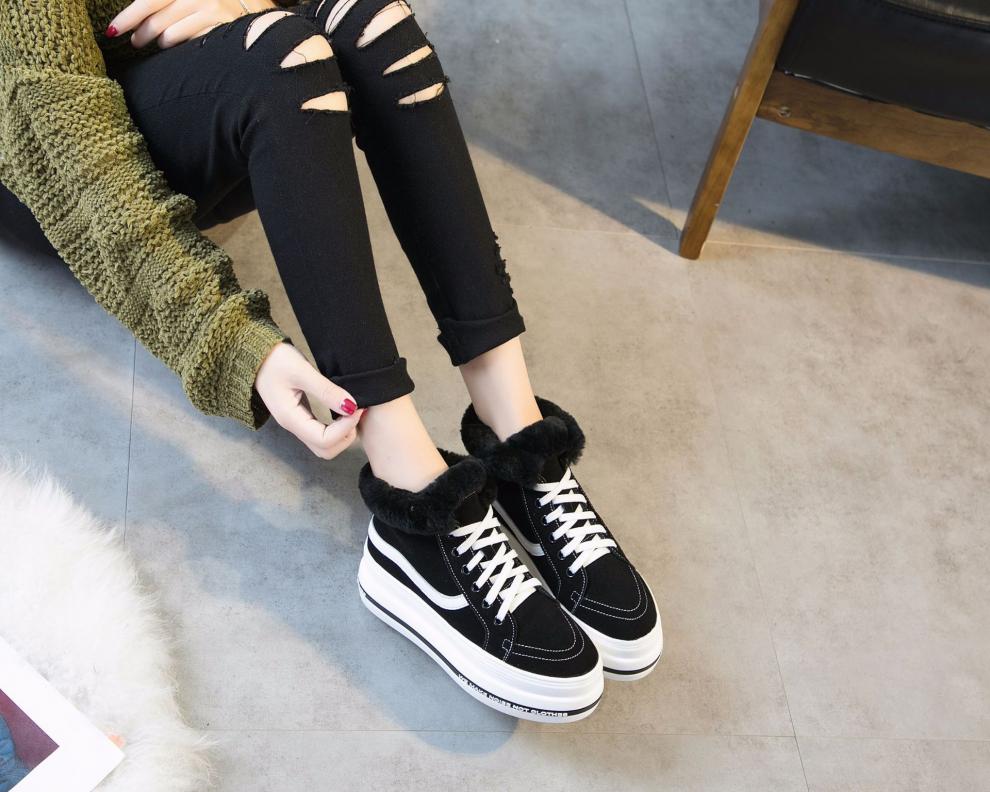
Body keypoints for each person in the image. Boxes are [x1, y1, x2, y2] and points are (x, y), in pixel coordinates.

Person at [0, 0, 662, 722]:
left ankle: (517, 432)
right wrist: (227, 336)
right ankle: (411, 499)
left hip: (189, 87)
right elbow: (63, 139)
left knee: (374, 22)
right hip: (46, 160)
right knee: (280, 58)